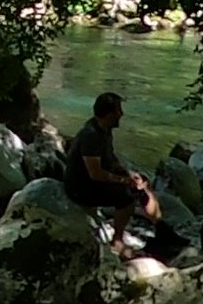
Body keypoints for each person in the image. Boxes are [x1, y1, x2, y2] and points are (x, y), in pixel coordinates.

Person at [63, 91, 162, 257]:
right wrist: (124, 181)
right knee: (127, 196)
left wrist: (129, 173)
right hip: (80, 187)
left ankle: (160, 227)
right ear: (108, 114)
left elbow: (110, 158)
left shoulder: (104, 130)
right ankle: (117, 241)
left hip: (92, 181)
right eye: (118, 110)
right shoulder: (91, 135)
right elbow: (95, 173)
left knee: (141, 183)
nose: (121, 114)